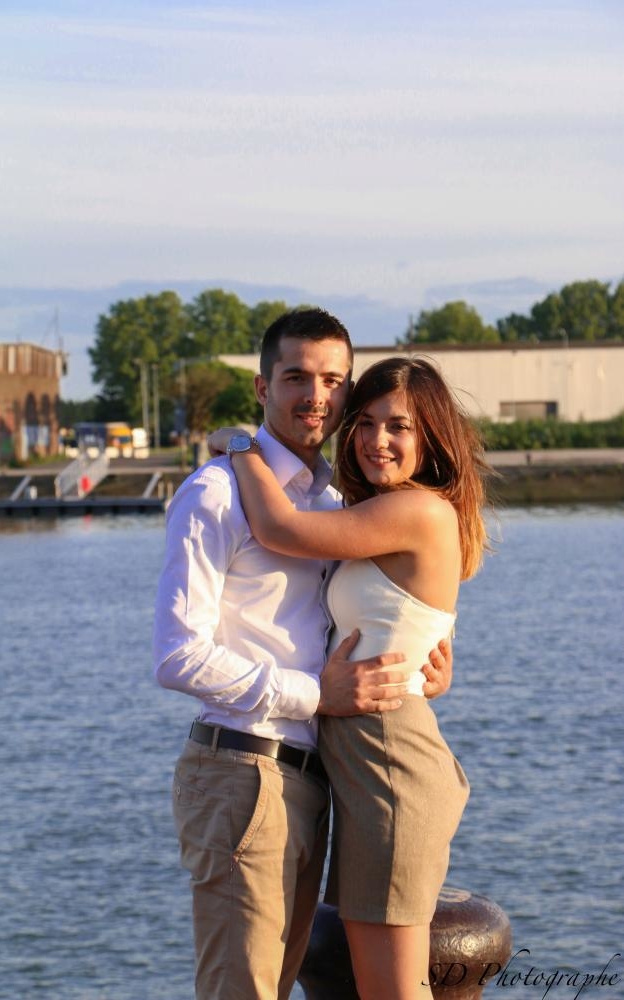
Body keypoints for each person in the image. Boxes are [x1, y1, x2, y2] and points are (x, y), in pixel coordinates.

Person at [152, 309, 453, 1000]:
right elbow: (178, 654)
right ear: (263, 387)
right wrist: (316, 694)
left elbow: (391, 609)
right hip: (243, 771)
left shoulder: (340, 500)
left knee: (282, 982)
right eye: (296, 377)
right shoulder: (218, 492)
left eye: (332, 381)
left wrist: (427, 662)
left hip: (320, 781)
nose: (316, 396)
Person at [228, 355, 490, 1000]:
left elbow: (280, 527)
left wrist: (239, 449)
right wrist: (433, 666)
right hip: (369, 764)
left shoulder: (419, 511)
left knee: (390, 991)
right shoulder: (389, 512)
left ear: (431, 436)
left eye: (398, 426)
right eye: (366, 423)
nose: (377, 440)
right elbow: (413, 621)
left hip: (389, 764)